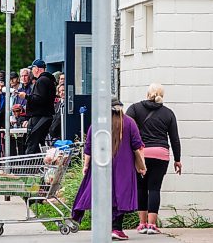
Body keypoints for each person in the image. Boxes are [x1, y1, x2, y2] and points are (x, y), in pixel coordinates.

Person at [72, 97, 146, 240]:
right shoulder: (129, 123)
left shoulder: (98, 124)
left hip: (101, 166)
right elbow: (137, 146)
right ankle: (117, 228)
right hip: (124, 166)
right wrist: (141, 166)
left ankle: (104, 228)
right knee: (120, 195)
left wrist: (86, 166)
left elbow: (89, 148)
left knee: (103, 195)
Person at [126, 83, 182, 235]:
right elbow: (174, 139)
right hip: (160, 154)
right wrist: (177, 159)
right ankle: (152, 225)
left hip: (141, 154)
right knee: (154, 188)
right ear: (162, 96)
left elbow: (126, 130)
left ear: (147, 94)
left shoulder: (134, 108)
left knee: (141, 188)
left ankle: (142, 223)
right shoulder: (168, 113)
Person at [18, 59, 56, 154]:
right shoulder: (49, 80)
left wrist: (25, 96)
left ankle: (30, 168)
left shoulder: (41, 81)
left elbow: (39, 99)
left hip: (40, 116)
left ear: (37, 69)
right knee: (39, 143)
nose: (31, 72)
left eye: (32, 69)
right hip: (45, 116)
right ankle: (40, 166)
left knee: (32, 143)